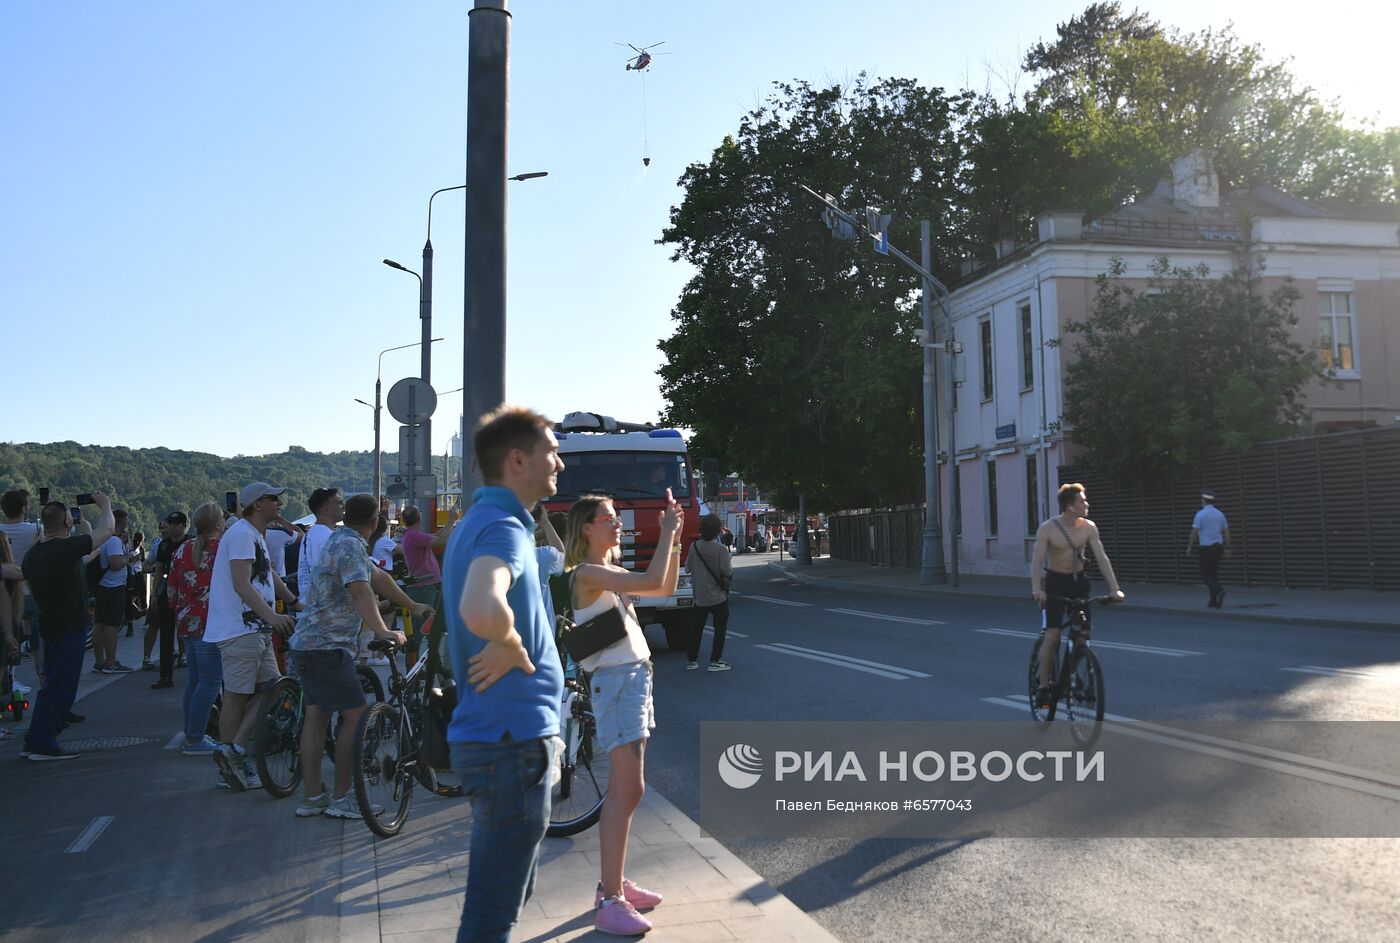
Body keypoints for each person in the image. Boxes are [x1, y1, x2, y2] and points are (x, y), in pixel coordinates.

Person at [442, 406, 565, 943]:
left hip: (501, 741)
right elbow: (479, 605)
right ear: (518, 460)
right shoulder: (505, 528)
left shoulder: (478, 522)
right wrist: (511, 642)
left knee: (507, 901)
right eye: (551, 451)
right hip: (509, 745)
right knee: (490, 920)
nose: (559, 462)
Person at [566, 489, 681, 936]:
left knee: (628, 790)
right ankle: (609, 899)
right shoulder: (588, 573)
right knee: (626, 790)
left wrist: (673, 541)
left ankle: (614, 885)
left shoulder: (607, 571)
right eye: (608, 517)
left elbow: (665, 588)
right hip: (616, 682)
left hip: (633, 678)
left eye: (614, 517)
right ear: (586, 528)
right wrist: (669, 530)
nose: (617, 523)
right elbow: (654, 583)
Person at [289, 493, 410, 819]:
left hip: (307, 643)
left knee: (316, 718)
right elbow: (361, 589)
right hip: (328, 647)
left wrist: (412, 604)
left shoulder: (339, 539)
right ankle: (343, 799)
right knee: (356, 716)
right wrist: (384, 631)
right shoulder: (351, 546)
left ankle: (313, 796)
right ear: (375, 523)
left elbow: (379, 578)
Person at [203, 482, 298, 791]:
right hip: (239, 629)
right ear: (258, 504)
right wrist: (273, 616)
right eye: (275, 498)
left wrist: (295, 602)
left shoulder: (254, 534)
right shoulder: (243, 534)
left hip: (254, 630)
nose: (280, 502)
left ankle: (234, 750)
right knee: (236, 695)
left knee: (271, 689)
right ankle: (230, 766)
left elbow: (268, 574)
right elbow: (242, 584)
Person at [21, 493, 116, 760]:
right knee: (61, 686)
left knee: (52, 684)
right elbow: (107, 530)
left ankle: (35, 737)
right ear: (66, 521)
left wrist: (85, 531)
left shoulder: (34, 555)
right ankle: (43, 743)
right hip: (70, 625)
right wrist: (105, 505)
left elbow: (84, 556)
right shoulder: (65, 549)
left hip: (50, 625)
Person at [1029, 483, 1125, 709]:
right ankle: (1044, 686)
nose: (1086, 504)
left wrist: (1115, 589)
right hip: (1054, 585)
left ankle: (1075, 668)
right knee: (1052, 637)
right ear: (1070, 506)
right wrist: (1037, 589)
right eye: (1082, 501)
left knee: (1082, 634)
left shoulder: (1089, 527)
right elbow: (1037, 560)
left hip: (1078, 585)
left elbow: (1101, 558)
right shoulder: (1048, 528)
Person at [170, 502, 225, 755]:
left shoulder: (183, 548)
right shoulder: (221, 550)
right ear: (217, 524)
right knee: (211, 681)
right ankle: (195, 737)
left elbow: (172, 587)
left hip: (186, 622)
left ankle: (190, 730)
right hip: (210, 623)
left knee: (194, 681)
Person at [1, 490, 42, 686]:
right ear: (24, 508)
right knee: (37, 644)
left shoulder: (1, 532)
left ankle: (11, 679)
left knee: (11, 640)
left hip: (7, 594)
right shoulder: (34, 529)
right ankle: (43, 677)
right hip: (31, 592)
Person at [684, 513, 733, 672]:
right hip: (718, 595)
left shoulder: (694, 547)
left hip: (699, 596)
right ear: (718, 531)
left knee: (696, 628)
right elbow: (727, 571)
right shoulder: (720, 549)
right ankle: (715, 660)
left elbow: (687, 568)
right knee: (720, 628)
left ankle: (691, 660)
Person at [147, 511, 189, 688]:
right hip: (167, 590)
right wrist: (154, 594)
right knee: (165, 634)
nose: (172, 527)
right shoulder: (163, 545)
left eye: (175, 524)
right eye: (170, 524)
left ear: (183, 525)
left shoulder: (190, 543)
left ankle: (189, 666)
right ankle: (166, 675)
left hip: (187, 591)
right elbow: (158, 569)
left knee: (188, 632)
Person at [92, 509, 135, 674]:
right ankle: (111, 661)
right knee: (112, 624)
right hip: (113, 587)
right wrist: (129, 559)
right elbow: (116, 564)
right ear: (122, 521)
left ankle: (99, 662)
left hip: (102, 586)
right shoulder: (114, 541)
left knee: (100, 623)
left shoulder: (102, 538)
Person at [397, 504, 455, 609]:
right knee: (424, 622)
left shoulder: (411, 535)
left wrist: (449, 523)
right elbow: (442, 541)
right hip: (422, 587)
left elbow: (437, 536)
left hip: (423, 587)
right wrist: (451, 521)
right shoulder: (414, 536)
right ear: (420, 517)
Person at [296, 488, 344, 607]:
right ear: (325, 509)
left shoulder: (312, 533)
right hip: (325, 609)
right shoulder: (326, 537)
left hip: (312, 604)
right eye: (338, 503)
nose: (343, 506)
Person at [1187, 489, 1231, 609]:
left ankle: (1219, 590)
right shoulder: (1220, 514)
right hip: (1218, 548)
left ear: (1204, 500)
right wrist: (1227, 548)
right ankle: (1212, 601)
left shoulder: (1200, 514)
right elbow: (1226, 532)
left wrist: (1190, 546)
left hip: (1205, 548)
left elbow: (1194, 532)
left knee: (1205, 575)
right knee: (1213, 574)